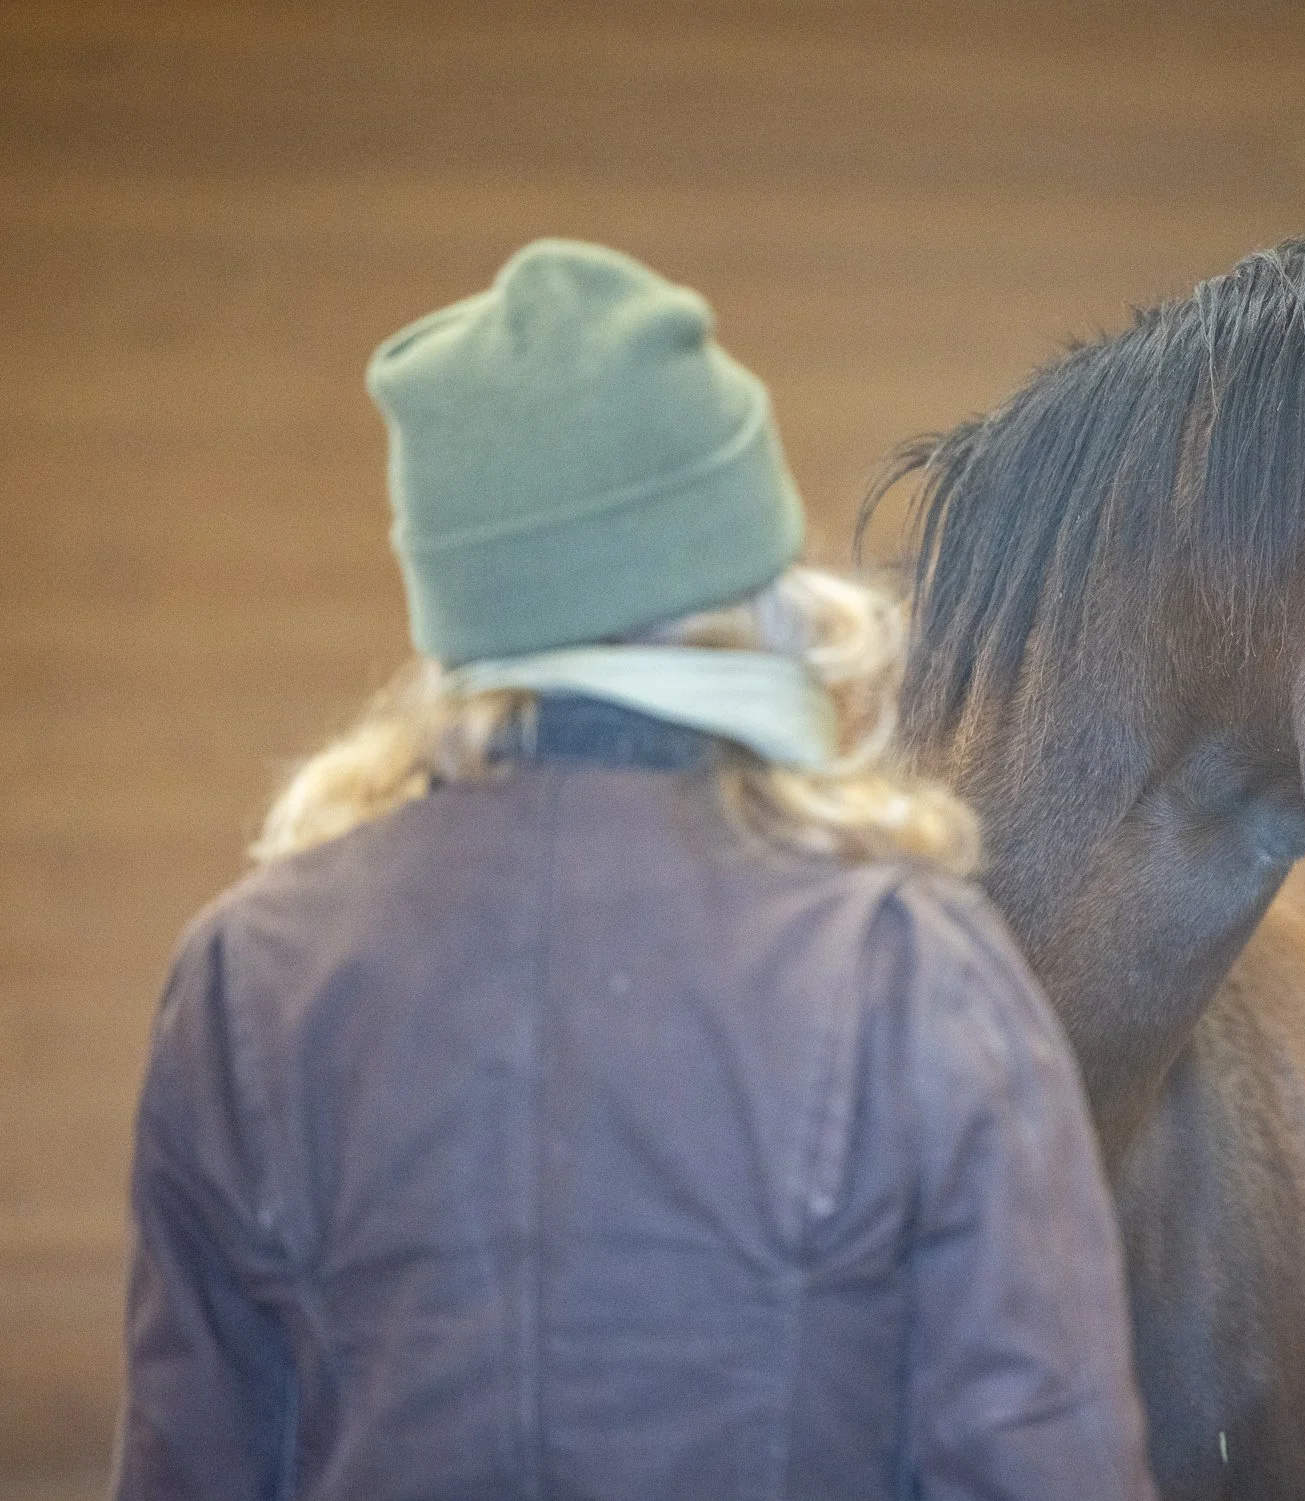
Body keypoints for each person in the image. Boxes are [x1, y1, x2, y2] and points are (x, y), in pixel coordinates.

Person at [113, 240, 1158, 1501]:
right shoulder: (906, 964)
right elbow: (1041, 1463)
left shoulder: (245, 977)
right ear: (753, 579)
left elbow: (194, 1462)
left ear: (463, 601)